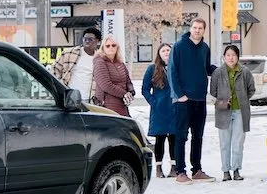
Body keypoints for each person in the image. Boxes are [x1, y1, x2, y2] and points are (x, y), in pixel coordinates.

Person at [168, 17, 214, 184]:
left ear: (204, 30)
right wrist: (180, 95)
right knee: (181, 136)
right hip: (183, 100)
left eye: (200, 28)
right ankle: (180, 171)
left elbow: (207, 68)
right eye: (195, 27)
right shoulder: (179, 46)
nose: (197, 30)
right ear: (191, 28)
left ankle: (197, 170)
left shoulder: (205, 48)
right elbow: (172, 71)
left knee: (198, 136)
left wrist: (220, 69)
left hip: (200, 98)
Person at [209, 44, 255, 181]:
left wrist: (243, 99)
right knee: (224, 143)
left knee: (238, 143)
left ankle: (236, 170)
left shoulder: (245, 72)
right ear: (224, 57)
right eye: (228, 55)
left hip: (240, 111)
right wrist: (222, 101)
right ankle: (225, 171)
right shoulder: (218, 72)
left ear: (238, 57)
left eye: (233, 55)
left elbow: (251, 89)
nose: (231, 58)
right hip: (223, 112)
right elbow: (213, 91)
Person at [142, 43, 176, 178]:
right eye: (163, 50)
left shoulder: (177, 67)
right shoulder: (152, 69)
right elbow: (145, 89)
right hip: (159, 109)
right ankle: (158, 168)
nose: (166, 52)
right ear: (159, 54)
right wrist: (153, 102)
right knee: (160, 139)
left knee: (174, 138)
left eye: (169, 50)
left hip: (174, 108)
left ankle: (174, 167)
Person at [50, 27, 102, 104]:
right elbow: (55, 69)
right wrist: (60, 87)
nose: (87, 41)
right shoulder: (69, 53)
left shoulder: (100, 58)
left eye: (90, 39)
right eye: (85, 39)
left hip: (90, 98)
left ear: (97, 41)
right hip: (70, 97)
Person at [92, 35, 134, 116]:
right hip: (107, 105)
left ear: (117, 47)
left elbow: (128, 81)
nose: (111, 47)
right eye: (107, 46)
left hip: (122, 104)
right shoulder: (99, 62)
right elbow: (105, 85)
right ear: (103, 48)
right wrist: (124, 94)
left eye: (113, 45)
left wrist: (131, 92)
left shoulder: (120, 63)